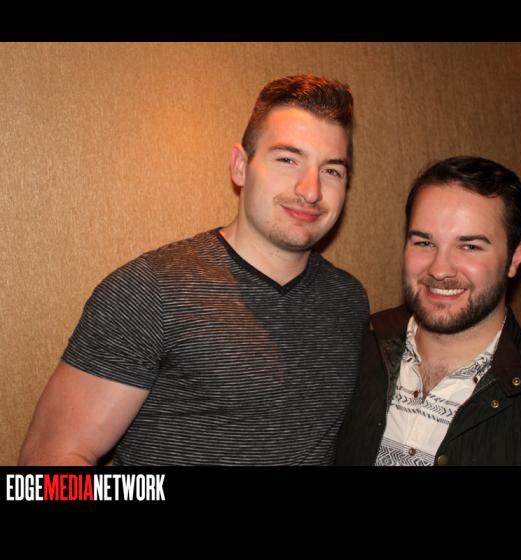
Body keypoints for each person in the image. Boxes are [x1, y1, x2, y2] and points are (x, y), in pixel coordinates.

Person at [20, 75, 369, 466]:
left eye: (332, 170)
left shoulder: (348, 300)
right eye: (288, 159)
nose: (311, 190)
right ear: (240, 166)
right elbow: (49, 460)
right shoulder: (150, 291)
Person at [336, 155, 521, 466]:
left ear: (515, 257)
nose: (440, 269)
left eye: (470, 246)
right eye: (424, 243)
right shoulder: (349, 357)